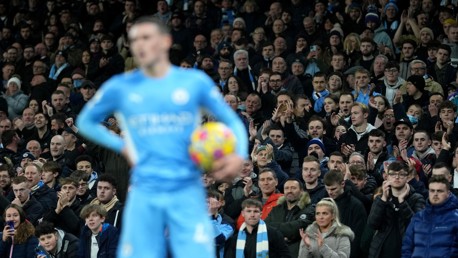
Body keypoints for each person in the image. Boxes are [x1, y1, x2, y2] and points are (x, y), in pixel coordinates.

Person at [76, 16, 247, 258]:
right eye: (134, 40)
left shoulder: (193, 82)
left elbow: (230, 120)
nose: (140, 45)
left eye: (147, 38)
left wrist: (238, 155)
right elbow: (85, 121)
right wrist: (122, 145)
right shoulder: (121, 86)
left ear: (166, 41)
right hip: (145, 190)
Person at [367, 160, 425, 258]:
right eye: (393, 174)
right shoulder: (380, 199)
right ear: (387, 177)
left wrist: (402, 202)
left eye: (401, 174)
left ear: (407, 177)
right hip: (381, 253)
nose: (397, 177)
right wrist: (383, 199)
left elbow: (418, 226)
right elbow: (372, 223)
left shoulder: (417, 198)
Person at [401, 175, 458, 258]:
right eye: (432, 190)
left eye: (440, 191)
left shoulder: (455, 219)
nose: (435, 194)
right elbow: (407, 248)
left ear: (448, 193)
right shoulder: (418, 218)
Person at [265, 178, 315, 257]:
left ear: (301, 191)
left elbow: (295, 229)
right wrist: (284, 234)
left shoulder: (309, 209)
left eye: (293, 188)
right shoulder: (277, 209)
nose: (289, 191)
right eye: (286, 188)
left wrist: (276, 231)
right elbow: (264, 227)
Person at [225, 199, 292, 258]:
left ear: (261, 214)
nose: (252, 215)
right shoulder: (236, 238)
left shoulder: (273, 233)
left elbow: (285, 255)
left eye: (256, 211)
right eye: (248, 211)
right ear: (243, 213)